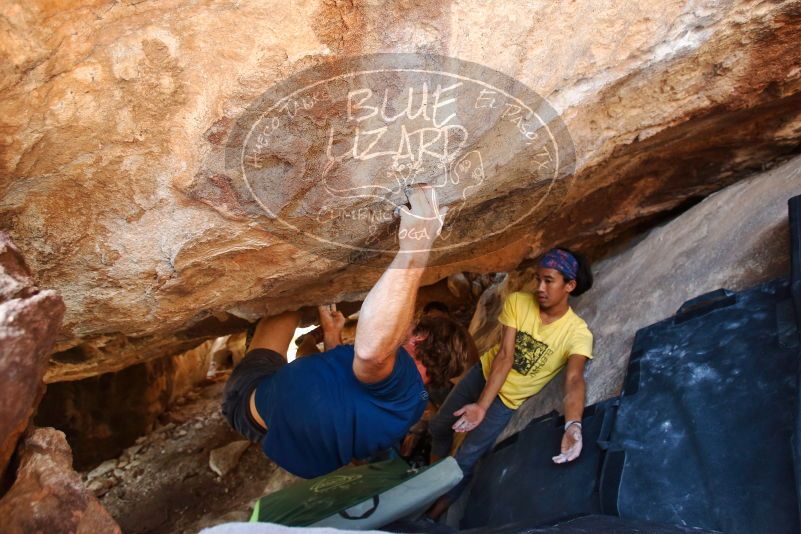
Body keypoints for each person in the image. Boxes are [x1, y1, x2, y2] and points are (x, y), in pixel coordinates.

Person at [221, 185, 476, 479]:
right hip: (277, 435)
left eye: (412, 324)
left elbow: (370, 354)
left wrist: (415, 253)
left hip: (247, 399)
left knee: (287, 306)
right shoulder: (410, 405)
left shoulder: (399, 374)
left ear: (419, 337)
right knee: (303, 338)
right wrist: (333, 341)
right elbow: (353, 394)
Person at [427, 247, 594, 518]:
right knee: (438, 426)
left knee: (466, 459)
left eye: (548, 280)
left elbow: (574, 379)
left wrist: (573, 425)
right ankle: (429, 480)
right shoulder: (519, 301)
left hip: (506, 402)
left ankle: (434, 513)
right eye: (538, 278)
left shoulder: (577, 333)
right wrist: (480, 405)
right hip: (482, 374)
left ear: (570, 285)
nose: (540, 287)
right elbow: (505, 356)